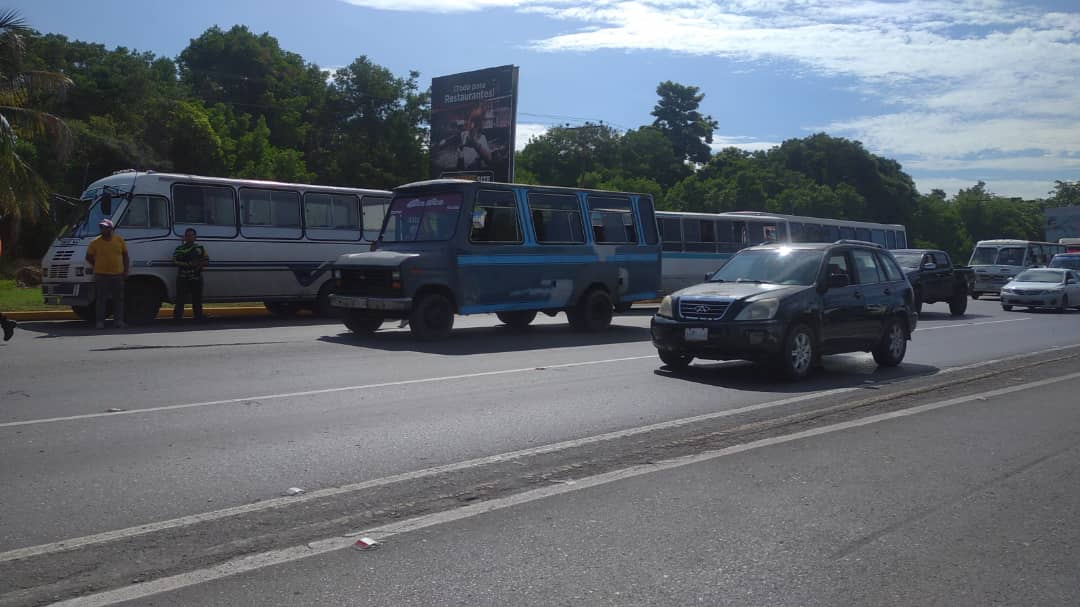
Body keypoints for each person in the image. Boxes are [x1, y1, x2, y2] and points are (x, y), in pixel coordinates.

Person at [85, 218, 129, 329]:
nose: (102, 229)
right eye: (101, 227)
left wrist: (125, 270)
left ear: (111, 229)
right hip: (101, 275)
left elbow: (125, 255)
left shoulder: (119, 240)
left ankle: (118, 321)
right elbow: (88, 256)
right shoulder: (95, 242)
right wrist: (96, 265)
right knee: (101, 299)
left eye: (105, 227)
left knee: (118, 299)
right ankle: (100, 322)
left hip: (117, 274)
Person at [172, 228, 209, 322]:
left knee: (197, 299)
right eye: (187, 235)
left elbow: (206, 260)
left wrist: (199, 265)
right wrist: (189, 264)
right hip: (182, 278)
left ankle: (198, 317)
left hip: (196, 278)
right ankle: (177, 318)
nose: (189, 237)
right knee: (180, 299)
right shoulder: (179, 249)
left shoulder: (200, 248)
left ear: (195, 237)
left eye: (191, 235)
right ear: (184, 237)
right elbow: (175, 261)